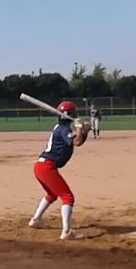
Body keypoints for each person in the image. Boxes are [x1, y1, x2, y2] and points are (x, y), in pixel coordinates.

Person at [28, 101, 89, 240]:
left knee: (52, 194)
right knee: (68, 197)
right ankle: (66, 232)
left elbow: (78, 140)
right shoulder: (63, 129)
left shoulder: (61, 127)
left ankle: (36, 220)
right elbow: (76, 141)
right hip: (46, 167)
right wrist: (80, 128)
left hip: (41, 166)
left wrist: (84, 131)